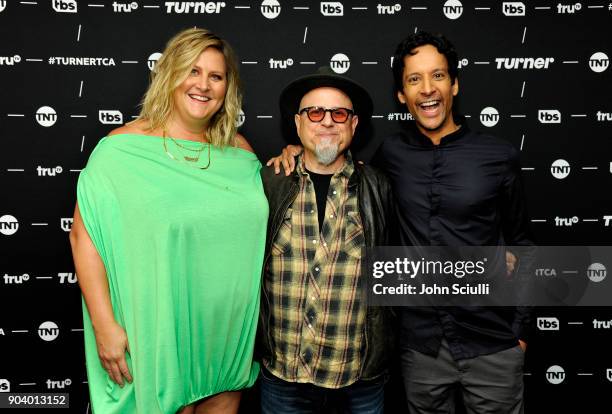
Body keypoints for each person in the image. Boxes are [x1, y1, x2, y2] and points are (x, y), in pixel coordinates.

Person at [269, 32, 533, 413]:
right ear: (401, 95)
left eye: (438, 76)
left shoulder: (498, 155)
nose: (428, 89)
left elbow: (523, 244)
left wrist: (520, 333)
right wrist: (296, 149)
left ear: (454, 84)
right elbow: (331, 157)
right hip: (420, 346)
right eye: (414, 79)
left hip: (491, 341)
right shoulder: (389, 157)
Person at [69, 28, 268, 414]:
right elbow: (83, 237)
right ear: (170, 75)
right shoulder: (122, 150)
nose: (204, 85)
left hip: (226, 339)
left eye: (216, 76)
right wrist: (104, 325)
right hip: (159, 333)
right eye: (193, 71)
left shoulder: (240, 151)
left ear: (228, 88)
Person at [258, 67, 396, 413]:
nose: (327, 122)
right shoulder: (269, 183)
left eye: (339, 113)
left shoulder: (378, 186)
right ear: (298, 123)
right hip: (283, 377)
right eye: (315, 112)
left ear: (353, 124)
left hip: (358, 381)